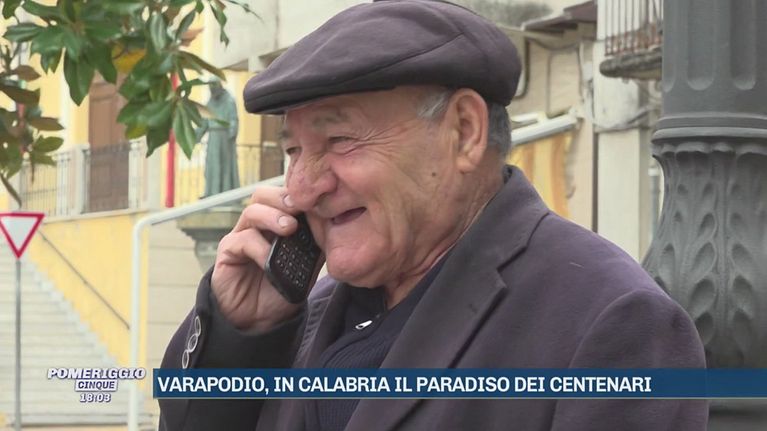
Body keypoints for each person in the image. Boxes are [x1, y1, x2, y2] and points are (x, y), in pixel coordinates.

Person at [159, 1, 708, 430]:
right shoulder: (309, 309)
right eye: (294, 150)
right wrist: (242, 336)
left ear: (464, 132)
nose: (301, 189)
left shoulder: (609, 323)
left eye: (340, 140)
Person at [197, 79, 240, 197]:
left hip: (224, 138)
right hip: (213, 138)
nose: (212, 92)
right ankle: (211, 192)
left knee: (224, 166)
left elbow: (233, 118)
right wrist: (194, 137)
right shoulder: (210, 103)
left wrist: (232, 131)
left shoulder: (229, 100)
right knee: (212, 166)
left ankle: (225, 193)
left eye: (214, 89)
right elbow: (203, 123)